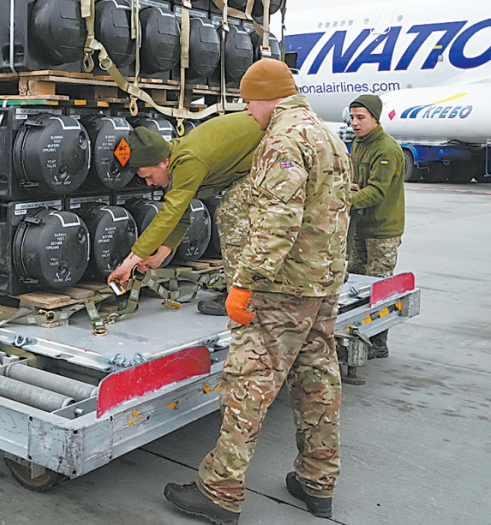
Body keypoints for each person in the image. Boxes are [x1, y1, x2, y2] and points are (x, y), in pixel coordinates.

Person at [163, 59, 352, 524]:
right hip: (322, 282)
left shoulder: (284, 139)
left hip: (282, 288)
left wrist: (244, 282)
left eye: (249, 102)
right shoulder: (329, 135)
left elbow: (275, 223)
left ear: (266, 96)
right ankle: (317, 481)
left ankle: (220, 491)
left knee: (248, 385)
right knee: (318, 380)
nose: (248, 112)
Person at [106, 113, 264, 315]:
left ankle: (242, 298)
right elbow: (181, 213)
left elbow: (170, 213)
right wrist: (159, 256)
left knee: (231, 213)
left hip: (277, 148)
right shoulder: (174, 160)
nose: (149, 183)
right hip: (256, 158)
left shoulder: (188, 161)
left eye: (149, 176)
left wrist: (129, 263)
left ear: (163, 162)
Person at [347, 94, 405, 360]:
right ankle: (357, 335)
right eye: (352, 117)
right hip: (360, 225)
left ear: (375, 118)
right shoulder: (359, 144)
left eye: (361, 118)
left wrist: (342, 199)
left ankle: (378, 342)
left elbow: (376, 192)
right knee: (356, 286)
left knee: (378, 289)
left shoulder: (386, 149)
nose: (355, 123)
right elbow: (358, 182)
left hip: (382, 230)